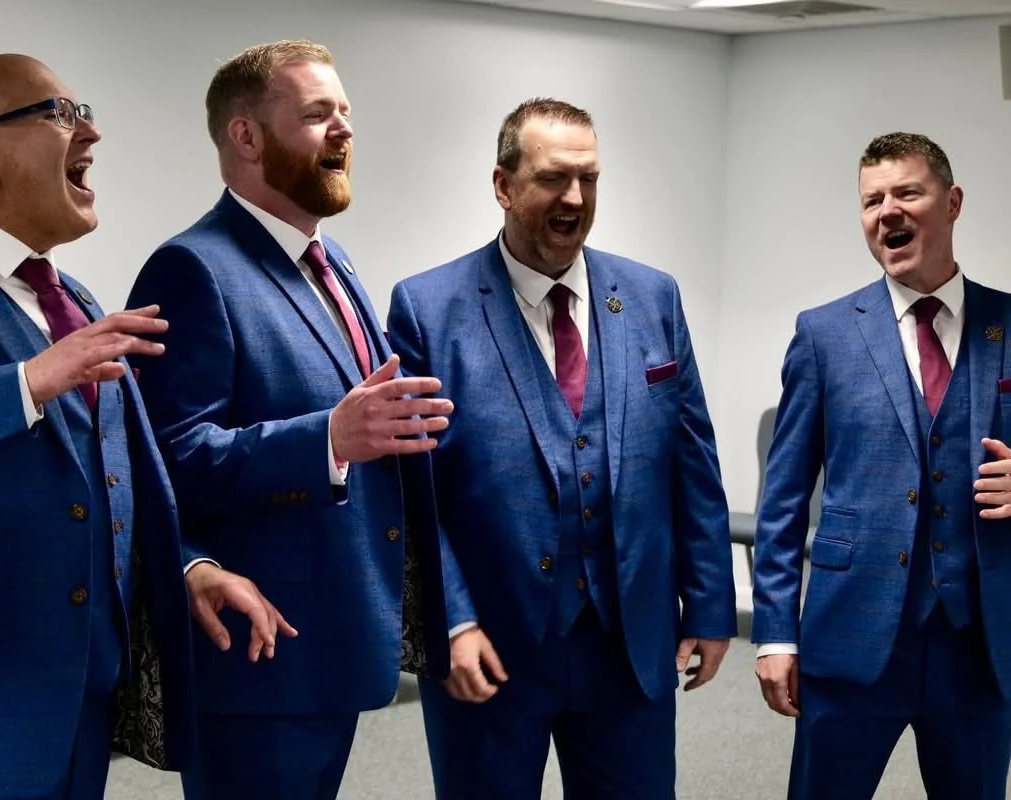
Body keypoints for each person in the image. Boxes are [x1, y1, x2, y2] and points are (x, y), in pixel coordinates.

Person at [0, 53, 290, 800]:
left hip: (78, 718)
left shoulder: (81, 303)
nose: (91, 132)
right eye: (60, 114)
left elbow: (110, 488)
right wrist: (23, 385)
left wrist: (190, 568)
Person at [124, 39, 452, 799]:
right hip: (258, 653)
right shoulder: (192, 268)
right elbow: (169, 459)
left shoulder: (333, 262)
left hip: (335, 634)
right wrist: (327, 439)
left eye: (345, 112)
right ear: (246, 136)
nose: (344, 129)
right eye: (316, 114)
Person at [385, 97, 737, 799]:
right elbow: (410, 495)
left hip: (628, 643)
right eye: (552, 178)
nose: (574, 197)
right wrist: (451, 619)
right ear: (503, 185)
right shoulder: (428, 310)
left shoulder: (653, 297)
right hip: (489, 644)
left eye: (589, 178)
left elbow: (692, 463)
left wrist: (708, 603)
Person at [752, 131, 1011, 799]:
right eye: (872, 201)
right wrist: (774, 633)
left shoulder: (1007, 324)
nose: (887, 211)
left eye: (907, 193)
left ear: (952, 202)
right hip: (851, 631)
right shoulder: (824, 335)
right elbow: (782, 499)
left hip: (980, 642)